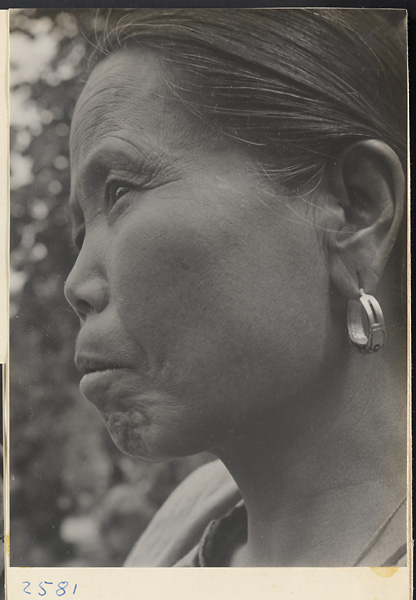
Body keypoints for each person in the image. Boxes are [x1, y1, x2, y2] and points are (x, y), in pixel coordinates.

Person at [64, 9, 408, 567]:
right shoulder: (183, 521)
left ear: (355, 211)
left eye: (120, 192)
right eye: (80, 232)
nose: (75, 285)